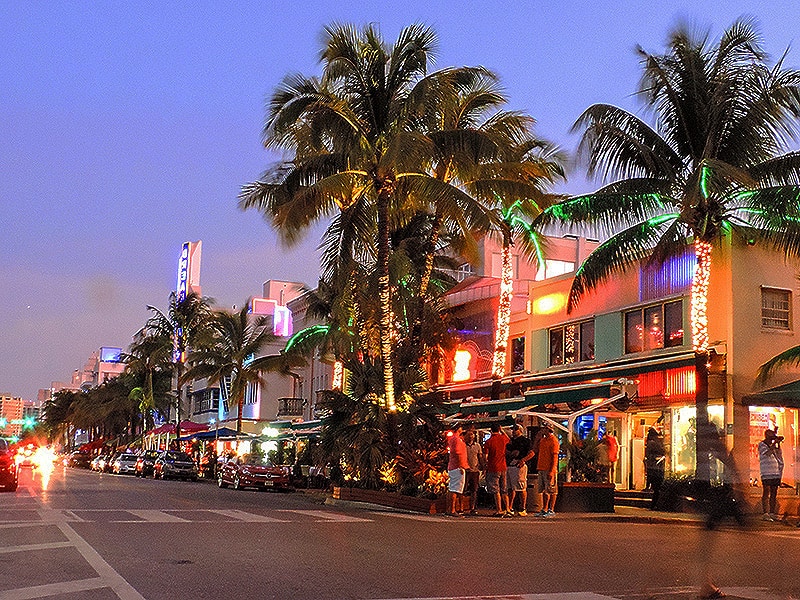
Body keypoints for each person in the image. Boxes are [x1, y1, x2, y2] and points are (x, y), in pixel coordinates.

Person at [483, 422, 511, 517]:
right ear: (499, 429)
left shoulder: (489, 442)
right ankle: (507, 508)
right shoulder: (503, 439)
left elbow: (485, 456)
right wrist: (502, 430)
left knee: (496, 489)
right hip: (503, 466)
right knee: (504, 489)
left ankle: (499, 509)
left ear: (491, 430)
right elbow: (509, 439)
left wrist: (485, 466)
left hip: (493, 466)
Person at [506, 424, 534, 516]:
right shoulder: (510, 441)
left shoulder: (525, 441)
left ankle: (523, 507)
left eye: (515, 429)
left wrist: (523, 460)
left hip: (519, 466)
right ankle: (509, 507)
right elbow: (507, 452)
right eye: (513, 429)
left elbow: (531, 453)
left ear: (520, 430)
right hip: (510, 465)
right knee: (510, 488)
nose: (513, 431)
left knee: (521, 487)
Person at [758, 427, 784, 521]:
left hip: (775, 471)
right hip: (766, 471)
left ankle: (772, 512)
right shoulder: (762, 444)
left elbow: (779, 454)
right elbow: (767, 453)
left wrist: (777, 444)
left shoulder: (775, 445)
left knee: (774, 492)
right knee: (766, 491)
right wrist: (774, 443)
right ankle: (765, 513)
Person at [535, 422, 559, 517]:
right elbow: (535, 449)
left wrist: (552, 470)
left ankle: (551, 509)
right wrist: (537, 439)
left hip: (549, 468)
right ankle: (544, 508)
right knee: (544, 489)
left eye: (544, 429)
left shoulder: (554, 441)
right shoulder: (543, 440)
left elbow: (555, 457)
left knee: (551, 490)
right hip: (541, 467)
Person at [446, 424, 469, 517]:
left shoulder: (453, 439)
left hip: (454, 466)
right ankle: (452, 510)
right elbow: (457, 452)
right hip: (457, 467)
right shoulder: (456, 439)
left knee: (452, 488)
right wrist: (461, 466)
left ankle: (450, 509)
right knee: (455, 489)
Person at [463, 425, 484, 515]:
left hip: (475, 471)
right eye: (469, 434)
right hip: (465, 470)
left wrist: (482, 466)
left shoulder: (477, 446)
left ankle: (472, 507)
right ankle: (461, 507)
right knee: (463, 489)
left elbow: (480, 456)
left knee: (474, 490)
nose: (471, 436)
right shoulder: (463, 446)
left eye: (472, 434)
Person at [644, 426, 666, 510]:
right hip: (657, 468)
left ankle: (654, 505)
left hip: (654, 468)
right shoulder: (658, 442)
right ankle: (654, 505)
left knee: (656, 488)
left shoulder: (652, 443)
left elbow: (650, 454)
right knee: (657, 488)